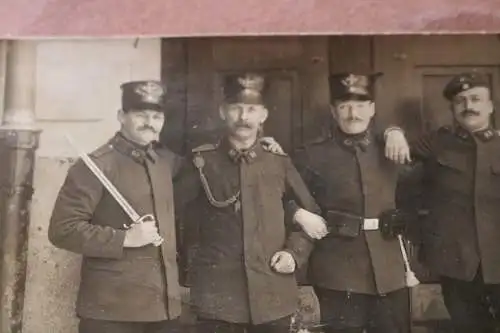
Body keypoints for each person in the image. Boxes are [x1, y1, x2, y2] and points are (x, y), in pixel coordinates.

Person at [173, 72, 325, 333]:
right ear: (223, 112)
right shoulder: (200, 162)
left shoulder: (278, 162)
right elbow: (174, 216)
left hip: (272, 293)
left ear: (263, 115)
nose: (244, 118)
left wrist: (294, 254)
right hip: (217, 296)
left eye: (252, 110)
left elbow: (311, 216)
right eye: (236, 109)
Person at [48, 80, 184, 333]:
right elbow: (62, 230)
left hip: (163, 309)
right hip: (112, 311)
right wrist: (125, 239)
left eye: (156, 116)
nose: (149, 122)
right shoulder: (94, 166)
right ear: (121, 116)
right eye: (141, 115)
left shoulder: (165, 162)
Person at [292, 72, 411, 333]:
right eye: (344, 106)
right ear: (334, 112)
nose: (352, 114)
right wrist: (297, 212)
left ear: (372, 110)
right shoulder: (312, 154)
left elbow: (422, 188)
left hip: (388, 268)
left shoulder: (390, 148)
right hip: (337, 272)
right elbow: (283, 193)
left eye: (359, 106)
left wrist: (394, 130)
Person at [385, 72, 500, 333]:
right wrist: (393, 131)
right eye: (461, 101)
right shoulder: (437, 142)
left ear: (490, 106)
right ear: (453, 109)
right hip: (456, 263)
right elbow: (391, 157)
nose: (469, 106)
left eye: (476, 99)